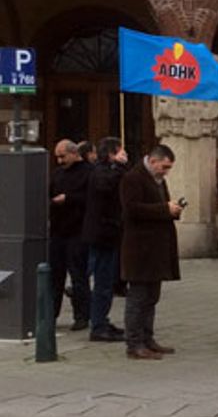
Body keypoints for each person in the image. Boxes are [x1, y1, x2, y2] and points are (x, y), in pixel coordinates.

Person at [119, 144, 181, 360]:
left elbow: (158, 206)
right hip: (139, 249)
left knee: (152, 297)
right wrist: (165, 209)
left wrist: (172, 209)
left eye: (168, 168)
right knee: (138, 297)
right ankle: (134, 343)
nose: (165, 172)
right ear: (153, 161)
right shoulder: (133, 178)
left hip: (155, 249)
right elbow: (132, 209)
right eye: (164, 167)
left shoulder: (158, 179)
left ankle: (147, 338)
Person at [82, 137, 129, 342]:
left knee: (107, 280)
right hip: (102, 233)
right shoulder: (100, 171)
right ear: (111, 153)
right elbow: (105, 186)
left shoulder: (107, 170)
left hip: (108, 233)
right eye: (119, 151)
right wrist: (118, 166)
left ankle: (101, 319)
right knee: (102, 281)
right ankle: (98, 325)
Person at [48, 138, 92, 331]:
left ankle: (82, 316)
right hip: (58, 231)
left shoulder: (88, 172)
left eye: (63, 156)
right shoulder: (57, 173)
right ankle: (50, 314)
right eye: (57, 157)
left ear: (74, 154)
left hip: (78, 231)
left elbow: (91, 199)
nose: (59, 161)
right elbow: (48, 194)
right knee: (54, 276)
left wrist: (69, 198)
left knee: (78, 275)